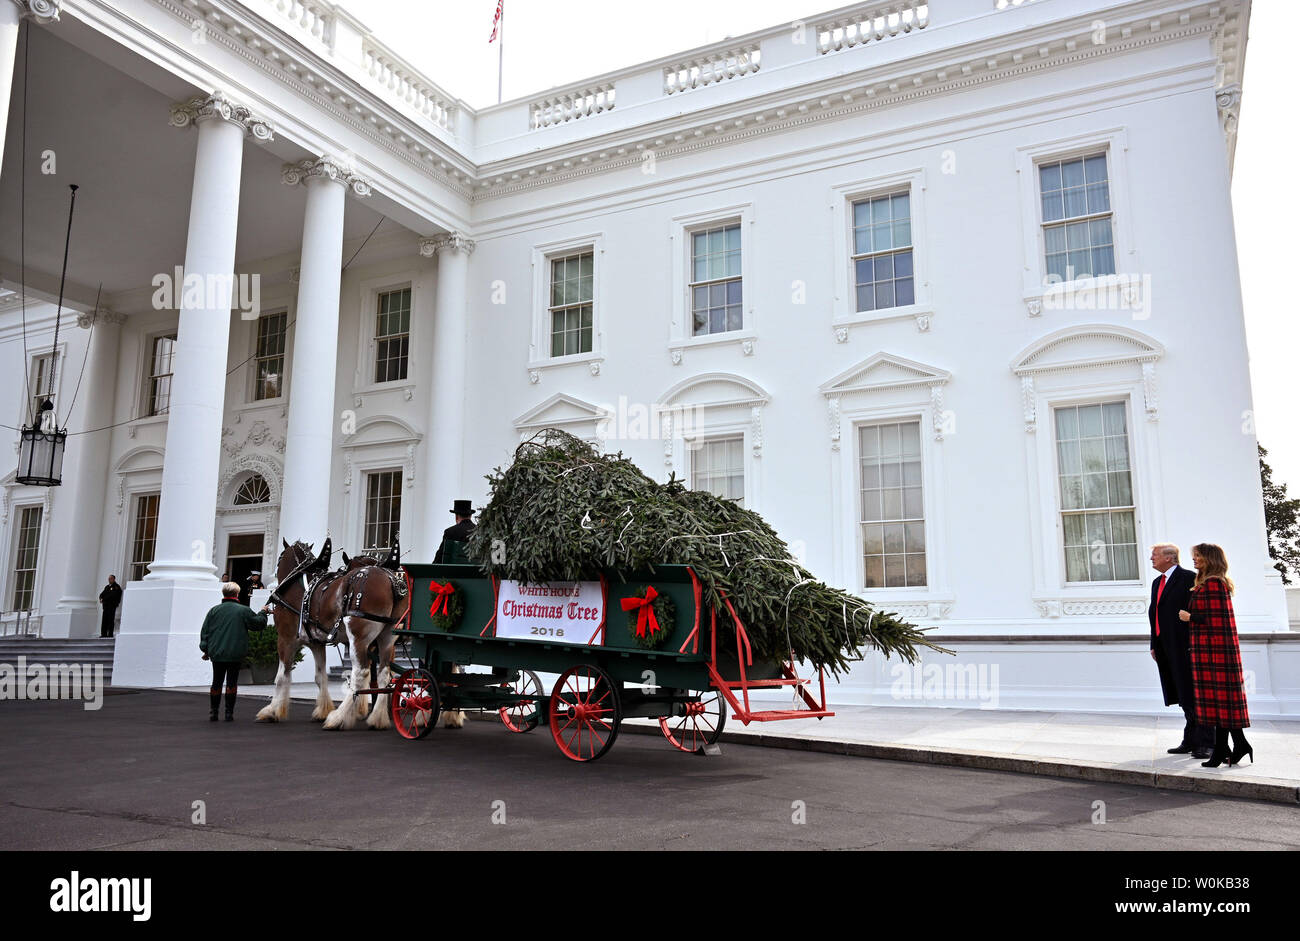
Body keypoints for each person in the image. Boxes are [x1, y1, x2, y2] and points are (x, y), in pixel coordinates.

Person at [1178, 543, 1253, 768]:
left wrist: (1189, 617)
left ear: (1209, 558)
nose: (1194, 560)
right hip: (1212, 651)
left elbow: (1216, 620)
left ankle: (1227, 749)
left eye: (1198, 556)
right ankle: (1232, 747)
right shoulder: (1211, 583)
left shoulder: (1213, 584)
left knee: (1220, 701)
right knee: (1220, 702)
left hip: (1215, 652)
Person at [1147, 544, 1210, 758]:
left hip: (1185, 646)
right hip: (1165, 646)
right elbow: (1154, 615)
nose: (1151, 559)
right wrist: (1154, 644)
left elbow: (1198, 611)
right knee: (1181, 694)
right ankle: (1191, 739)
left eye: (1154, 555)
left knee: (1193, 694)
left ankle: (1205, 742)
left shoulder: (1188, 578)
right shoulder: (1157, 582)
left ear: (1169, 558)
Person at [200, 582, 271, 721]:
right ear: (237, 594)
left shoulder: (213, 611)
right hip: (235, 653)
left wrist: (206, 649)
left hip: (217, 653)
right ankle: (229, 713)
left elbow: (205, 632)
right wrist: (263, 612)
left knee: (216, 682)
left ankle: (214, 712)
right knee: (232, 682)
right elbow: (257, 624)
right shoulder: (243, 610)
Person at [434, 499, 476, 564]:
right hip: (476, 573)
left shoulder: (450, 532)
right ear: (470, 515)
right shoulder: (479, 531)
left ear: (456, 516)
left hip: (455, 573)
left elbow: (439, 558)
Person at [97, 575, 122, 639]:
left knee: (110, 620)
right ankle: (103, 634)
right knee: (104, 620)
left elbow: (112, 595)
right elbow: (102, 594)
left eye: (110, 578)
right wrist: (100, 598)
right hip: (105, 606)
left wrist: (104, 599)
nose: (109, 580)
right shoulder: (107, 587)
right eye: (108, 579)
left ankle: (110, 634)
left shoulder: (116, 587)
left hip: (111, 606)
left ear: (114, 579)